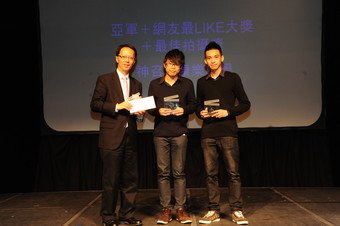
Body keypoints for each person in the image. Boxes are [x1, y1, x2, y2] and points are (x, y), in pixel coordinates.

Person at [196, 41, 250, 225]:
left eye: (216, 57)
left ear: (222, 58)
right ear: (205, 61)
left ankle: (236, 210)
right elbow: (197, 106)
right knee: (211, 174)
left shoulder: (233, 78)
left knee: (233, 173)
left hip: (228, 132)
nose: (212, 61)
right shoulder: (201, 82)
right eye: (209, 58)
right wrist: (200, 112)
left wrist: (228, 112)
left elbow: (245, 103)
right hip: (208, 133)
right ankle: (213, 210)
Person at [90, 44, 144, 226]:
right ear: (117, 58)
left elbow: (134, 109)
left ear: (135, 61)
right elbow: (95, 104)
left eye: (131, 58)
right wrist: (117, 106)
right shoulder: (105, 80)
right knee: (111, 180)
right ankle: (108, 216)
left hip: (130, 136)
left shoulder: (137, 84)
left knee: (130, 180)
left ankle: (127, 214)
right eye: (125, 56)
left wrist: (139, 112)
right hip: (111, 137)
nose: (128, 60)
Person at [147, 49, 196, 224]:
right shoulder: (155, 84)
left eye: (177, 65)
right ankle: (166, 209)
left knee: (179, 173)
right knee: (163, 173)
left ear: (181, 67)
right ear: (164, 64)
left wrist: (184, 109)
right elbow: (150, 107)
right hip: (160, 134)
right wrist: (158, 110)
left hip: (180, 133)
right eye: (170, 64)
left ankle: (181, 209)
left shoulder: (187, 84)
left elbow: (193, 105)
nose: (173, 68)